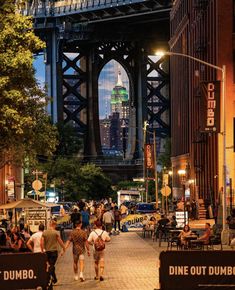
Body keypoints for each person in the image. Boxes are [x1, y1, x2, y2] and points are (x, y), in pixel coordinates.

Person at [40, 220, 66, 285]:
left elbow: (41, 242)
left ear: (49, 225)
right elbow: (60, 241)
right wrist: (64, 248)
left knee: (51, 265)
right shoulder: (55, 232)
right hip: (54, 252)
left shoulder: (44, 233)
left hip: (47, 252)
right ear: (54, 225)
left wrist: (42, 249)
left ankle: (54, 280)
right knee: (52, 266)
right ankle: (48, 278)